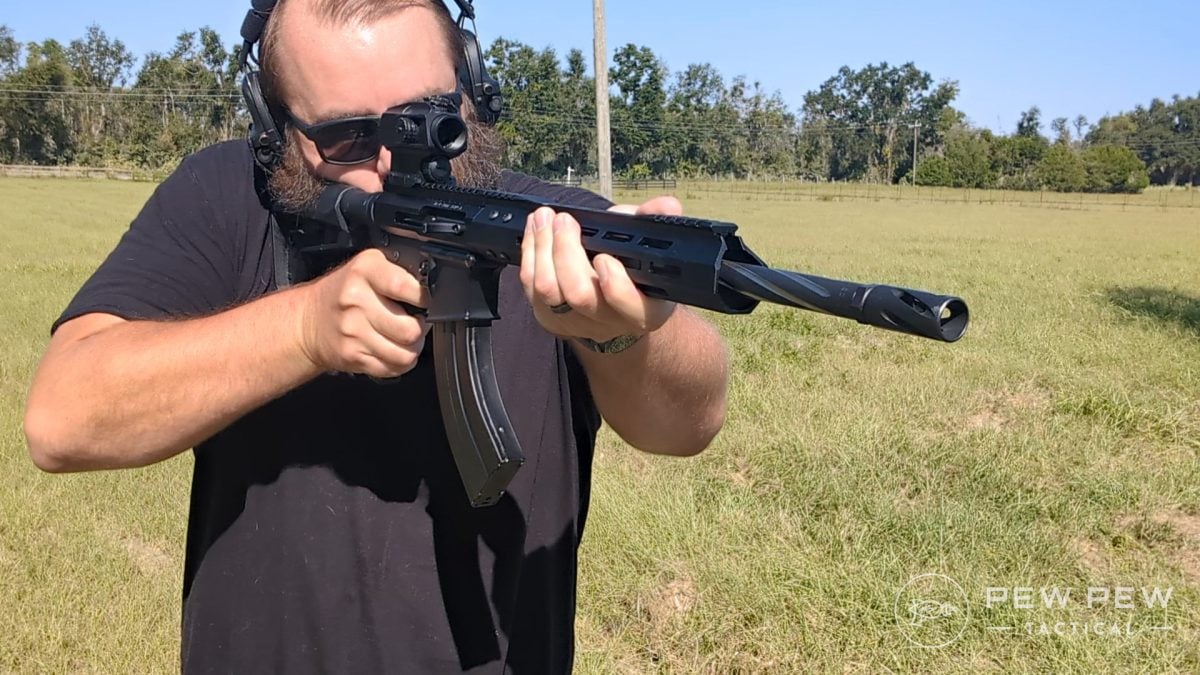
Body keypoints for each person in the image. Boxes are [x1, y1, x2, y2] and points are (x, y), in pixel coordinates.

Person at [23, 0, 729, 671]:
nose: (396, 161)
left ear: (472, 85)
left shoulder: (552, 233)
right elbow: (62, 418)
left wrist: (629, 335)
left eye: (431, 116)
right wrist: (302, 329)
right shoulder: (229, 200)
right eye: (350, 136)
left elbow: (691, 422)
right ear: (276, 127)